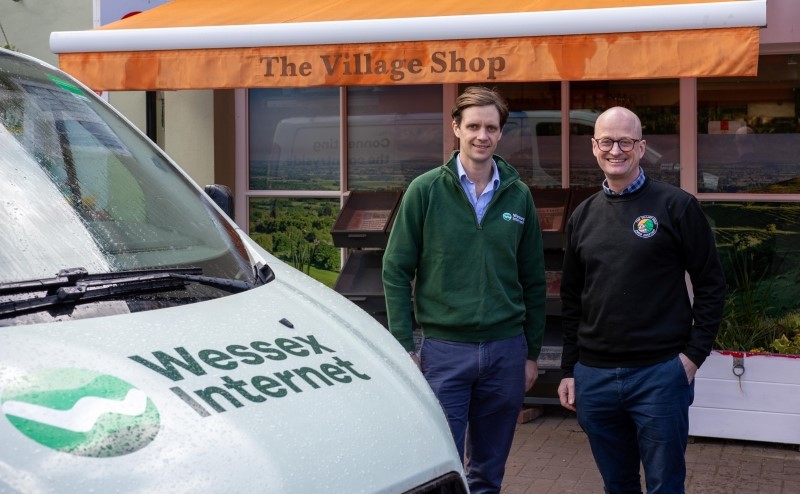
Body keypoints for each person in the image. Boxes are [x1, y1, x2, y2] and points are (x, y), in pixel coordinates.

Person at [382, 86, 546, 494]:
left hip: (506, 352)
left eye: (491, 127)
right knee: (444, 468)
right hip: (444, 352)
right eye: (473, 126)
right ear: (456, 128)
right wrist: (405, 345)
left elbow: (534, 279)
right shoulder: (425, 190)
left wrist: (531, 353)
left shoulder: (518, 196)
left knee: (489, 473)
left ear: (501, 133)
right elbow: (395, 269)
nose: (481, 136)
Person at [557, 106, 727, 494]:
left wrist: (692, 357)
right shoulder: (582, 216)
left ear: (641, 147)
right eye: (606, 141)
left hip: (659, 375)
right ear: (594, 147)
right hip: (595, 377)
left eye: (625, 141)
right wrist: (569, 369)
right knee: (617, 484)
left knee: (665, 485)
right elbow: (571, 299)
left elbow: (711, 284)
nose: (615, 150)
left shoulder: (677, 206)